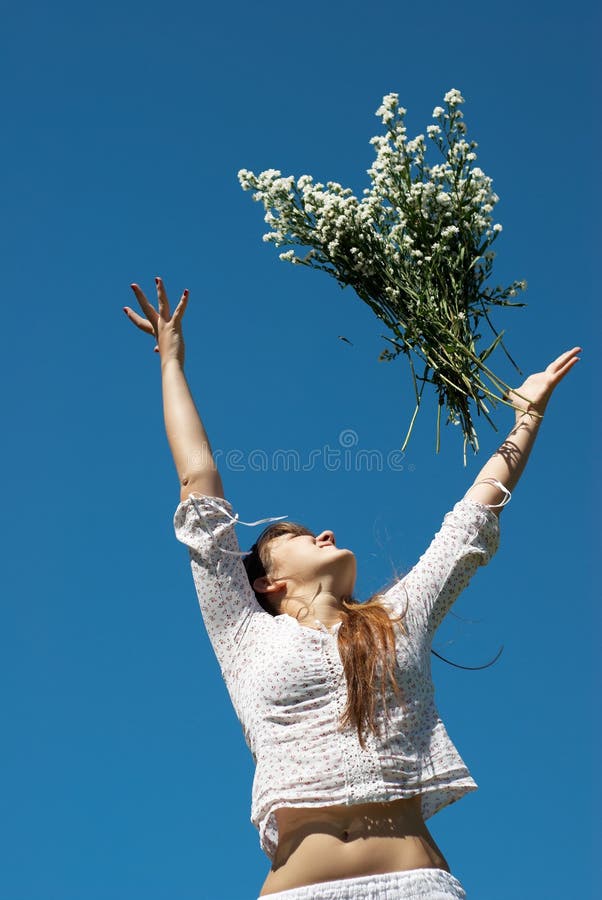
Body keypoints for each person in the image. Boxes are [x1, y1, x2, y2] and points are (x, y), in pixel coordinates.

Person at [123, 277, 581, 899]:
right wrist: (172, 364)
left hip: (415, 885)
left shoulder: (397, 617)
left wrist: (527, 417)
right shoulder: (243, 634)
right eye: (298, 533)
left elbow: (473, 519)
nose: (326, 531)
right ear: (269, 580)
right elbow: (197, 481)